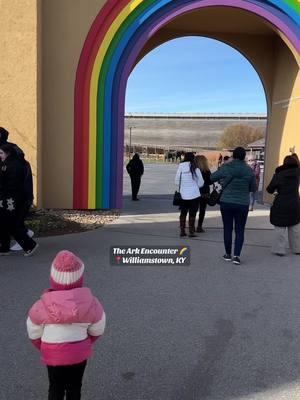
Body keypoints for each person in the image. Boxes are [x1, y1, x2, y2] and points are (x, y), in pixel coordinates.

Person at [27, 250, 106, 400]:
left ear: (53, 278)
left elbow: (33, 331)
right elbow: (98, 328)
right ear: (80, 279)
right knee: (75, 386)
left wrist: (43, 346)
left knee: (55, 386)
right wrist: (87, 342)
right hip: (78, 353)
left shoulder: (41, 305)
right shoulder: (91, 303)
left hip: (52, 354)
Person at [210, 147, 257, 265]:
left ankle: (227, 254)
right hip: (242, 203)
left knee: (227, 228)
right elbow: (253, 188)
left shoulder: (227, 167)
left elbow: (212, 178)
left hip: (226, 202)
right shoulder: (249, 170)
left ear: (233, 156)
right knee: (240, 230)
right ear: (244, 157)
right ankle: (237, 256)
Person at [0, 143, 38, 256]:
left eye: (1, 153)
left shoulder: (11, 166)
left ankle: (30, 245)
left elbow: (10, 185)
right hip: (10, 198)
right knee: (4, 222)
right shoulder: (13, 163)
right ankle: (4, 248)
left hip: (11, 199)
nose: (0, 155)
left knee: (11, 223)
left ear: (8, 153)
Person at [266, 155, 300, 256]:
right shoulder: (298, 173)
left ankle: (279, 250)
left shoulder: (279, 175)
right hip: (295, 203)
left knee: (280, 228)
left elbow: (269, 189)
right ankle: (297, 248)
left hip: (281, 203)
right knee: (295, 226)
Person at [175, 152, 204, 237]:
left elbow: (176, 181)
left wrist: (184, 186)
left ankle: (182, 231)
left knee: (183, 213)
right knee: (192, 213)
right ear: (193, 158)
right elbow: (201, 182)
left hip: (183, 194)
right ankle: (191, 231)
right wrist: (195, 186)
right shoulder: (196, 168)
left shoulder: (180, 167)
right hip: (194, 194)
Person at [195, 155, 211, 232]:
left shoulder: (194, 170)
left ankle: (191, 226)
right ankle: (199, 226)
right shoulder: (207, 171)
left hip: (195, 192)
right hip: (205, 192)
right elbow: (210, 181)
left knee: (193, 209)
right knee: (202, 210)